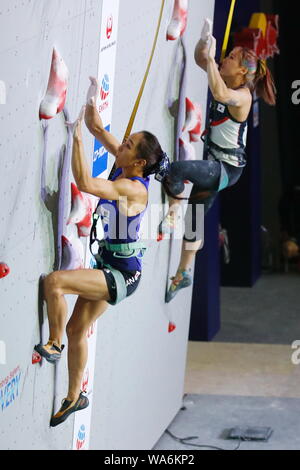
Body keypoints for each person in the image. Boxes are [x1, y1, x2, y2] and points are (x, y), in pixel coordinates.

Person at [34, 78, 168, 426]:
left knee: (56, 283)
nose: (120, 146)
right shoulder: (127, 165)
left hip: (121, 275)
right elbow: (98, 126)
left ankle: (53, 343)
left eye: (127, 145)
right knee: (79, 329)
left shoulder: (131, 188)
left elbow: (87, 183)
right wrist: (90, 103)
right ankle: (74, 396)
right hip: (112, 266)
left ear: (138, 162)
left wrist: (75, 138)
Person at [161, 18, 276, 302]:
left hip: (226, 168)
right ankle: (184, 272)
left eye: (232, 58)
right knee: (196, 218)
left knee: (176, 169)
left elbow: (220, 93)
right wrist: (205, 42)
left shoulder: (243, 96)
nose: (225, 59)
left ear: (241, 72)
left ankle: (174, 208)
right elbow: (204, 59)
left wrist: (212, 60)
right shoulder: (224, 79)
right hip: (216, 163)